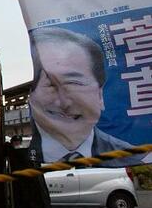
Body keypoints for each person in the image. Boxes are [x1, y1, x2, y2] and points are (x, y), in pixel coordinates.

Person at [27, 26, 149, 167]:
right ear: (31, 95)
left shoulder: (132, 158)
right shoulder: (17, 160)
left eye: (74, 83)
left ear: (100, 95)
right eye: (51, 84)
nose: (64, 102)